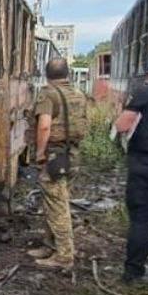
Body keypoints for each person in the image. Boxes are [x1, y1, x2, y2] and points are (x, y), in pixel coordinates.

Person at [30, 57, 88, 271]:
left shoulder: (48, 94)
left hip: (54, 156)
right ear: (68, 74)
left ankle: (64, 256)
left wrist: (39, 153)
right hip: (72, 155)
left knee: (57, 207)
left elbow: (44, 126)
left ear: (47, 74)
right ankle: (49, 246)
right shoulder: (79, 94)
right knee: (55, 202)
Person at [114, 51, 148, 284]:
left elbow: (122, 126)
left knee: (141, 220)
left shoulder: (146, 92)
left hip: (145, 165)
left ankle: (133, 273)